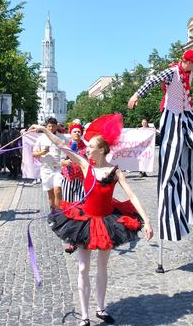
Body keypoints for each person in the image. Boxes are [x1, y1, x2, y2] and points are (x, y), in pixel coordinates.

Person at [29, 113, 153, 326]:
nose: (87, 149)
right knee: (83, 268)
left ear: (102, 149)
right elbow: (61, 144)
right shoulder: (86, 166)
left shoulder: (115, 172)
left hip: (107, 222)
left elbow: (132, 196)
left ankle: (101, 308)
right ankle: (85, 316)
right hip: (84, 221)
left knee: (102, 267)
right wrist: (43, 130)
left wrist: (147, 221)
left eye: (91, 146)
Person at [128, 49, 193, 242]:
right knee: (172, 149)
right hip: (172, 114)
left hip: (187, 113)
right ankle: (172, 206)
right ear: (187, 61)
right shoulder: (171, 72)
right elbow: (150, 82)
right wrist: (135, 95)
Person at [60, 121, 87, 253]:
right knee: (69, 208)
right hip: (68, 179)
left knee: (80, 207)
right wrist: (65, 162)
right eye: (74, 131)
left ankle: (79, 236)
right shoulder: (66, 146)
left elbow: (90, 161)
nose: (77, 133)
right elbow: (59, 160)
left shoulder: (86, 147)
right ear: (70, 134)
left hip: (81, 181)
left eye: (78, 131)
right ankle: (70, 238)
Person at [32, 117, 65, 211]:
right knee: (50, 193)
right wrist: (42, 153)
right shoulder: (41, 138)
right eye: (49, 126)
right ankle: (53, 212)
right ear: (46, 127)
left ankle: (59, 213)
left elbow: (68, 150)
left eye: (53, 126)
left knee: (58, 190)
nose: (51, 128)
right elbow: (34, 154)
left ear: (56, 126)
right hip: (46, 168)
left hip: (59, 168)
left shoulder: (61, 137)